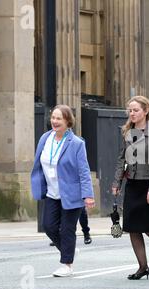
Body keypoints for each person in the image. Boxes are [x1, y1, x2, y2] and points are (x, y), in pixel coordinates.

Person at [31, 105, 95, 277]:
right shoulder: (45, 138)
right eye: (53, 117)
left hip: (71, 193)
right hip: (52, 192)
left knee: (67, 229)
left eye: (59, 118)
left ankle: (66, 264)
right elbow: (39, 163)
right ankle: (69, 249)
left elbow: (84, 171)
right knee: (49, 227)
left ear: (68, 121)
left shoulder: (76, 144)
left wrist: (88, 194)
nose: (54, 121)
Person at [112, 95, 149, 280]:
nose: (132, 113)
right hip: (133, 183)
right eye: (130, 110)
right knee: (133, 227)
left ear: (145, 111)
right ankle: (143, 267)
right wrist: (117, 182)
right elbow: (122, 158)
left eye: (136, 110)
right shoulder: (127, 131)